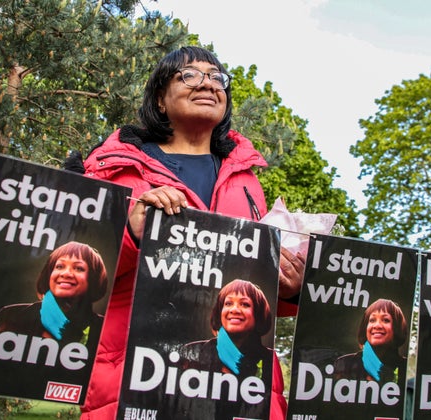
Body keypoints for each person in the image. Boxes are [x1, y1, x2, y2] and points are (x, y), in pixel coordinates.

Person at [67, 46, 304, 419]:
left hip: (242, 388)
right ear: (160, 99)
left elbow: (254, 295)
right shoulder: (112, 168)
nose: (207, 84)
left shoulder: (247, 182)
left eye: (217, 78)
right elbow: (73, 268)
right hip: (138, 379)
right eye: (190, 75)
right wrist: (131, 234)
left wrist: (290, 289)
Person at [171, 279, 275, 417]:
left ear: (258, 313)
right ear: (220, 311)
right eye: (228, 303)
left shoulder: (270, 360)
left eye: (244, 304)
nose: (234, 310)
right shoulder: (191, 352)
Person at [0, 241, 108, 346]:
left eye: (78, 268)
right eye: (59, 266)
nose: (66, 273)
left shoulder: (104, 329)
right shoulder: (11, 316)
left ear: (93, 278)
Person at [333, 298, 408, 384]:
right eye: (372, 320)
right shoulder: (345, 364)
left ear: (397, 328)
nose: (377, 325)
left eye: (386, 320)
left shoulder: (406, 369)